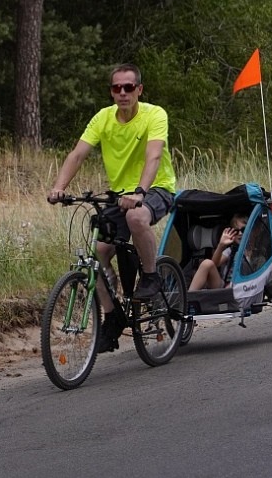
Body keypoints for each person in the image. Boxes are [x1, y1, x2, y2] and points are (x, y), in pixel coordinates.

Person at [47, 63, 177, 352]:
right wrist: (59, 188)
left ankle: (152, 276)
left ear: (139, 90)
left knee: (136, 217)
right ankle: (113, 315)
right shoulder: (103, 118)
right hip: (119, 195)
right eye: (116, 88)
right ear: (111, 92)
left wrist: (141, 191)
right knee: (99, 254)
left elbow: (154, 157)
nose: (122, 93)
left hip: (156, 188)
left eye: (128, 87)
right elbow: (78, 154)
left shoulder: (154, 115)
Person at [188, 214, 246, 292]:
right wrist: (221, 245)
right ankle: (189, 298)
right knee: (207, 263)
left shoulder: (256, 250)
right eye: (236, 231)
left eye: (243, 230)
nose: (240, 234)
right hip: (225, 286)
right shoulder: (231, 250)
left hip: (245, 285)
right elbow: (215, 264)